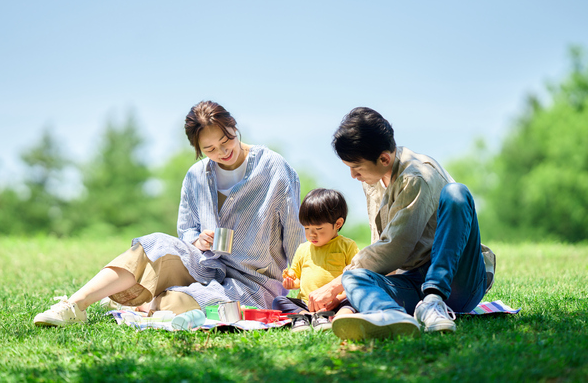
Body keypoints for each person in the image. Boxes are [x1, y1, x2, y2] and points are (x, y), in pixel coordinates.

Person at [33, 101, 305, 327]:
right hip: (204, 263)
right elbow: (186, 230)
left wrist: (301, 288)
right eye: (210, 149)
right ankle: (73, 306)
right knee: (153, 244)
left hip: (252, 283)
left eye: (226, 140)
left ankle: (129, 295)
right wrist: (197, 241)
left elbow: (294, 233)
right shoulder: (197, 176)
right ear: (198, 150)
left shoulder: (274, 168)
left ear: (234, 127)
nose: (223, 152)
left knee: (174, 305)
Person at [314, 107, 496, 341]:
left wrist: (333, 286)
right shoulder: (374, 178)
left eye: (356, 168)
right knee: (354, 277)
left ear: (383, 158)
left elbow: (395, 248)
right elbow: (380, 245)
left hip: (457, 280)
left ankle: (433, 300)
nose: (352, 176)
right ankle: (391, 315)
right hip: (412, 281)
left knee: (456, 192)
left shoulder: (417, 176)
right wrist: (352, 288)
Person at [271, 188, 359, 332]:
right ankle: (307, 316)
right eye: (306, 228)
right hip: (308, 304)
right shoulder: (303, 249)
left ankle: (340, 319)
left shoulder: (347, 246)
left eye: (318, 228)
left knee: (354, 300)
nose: (312, 234)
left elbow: (355, 277)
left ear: (338, 224)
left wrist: (338, 299)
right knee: (279, 301)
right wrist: (291, 282)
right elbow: (297, 279)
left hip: (336, 302)